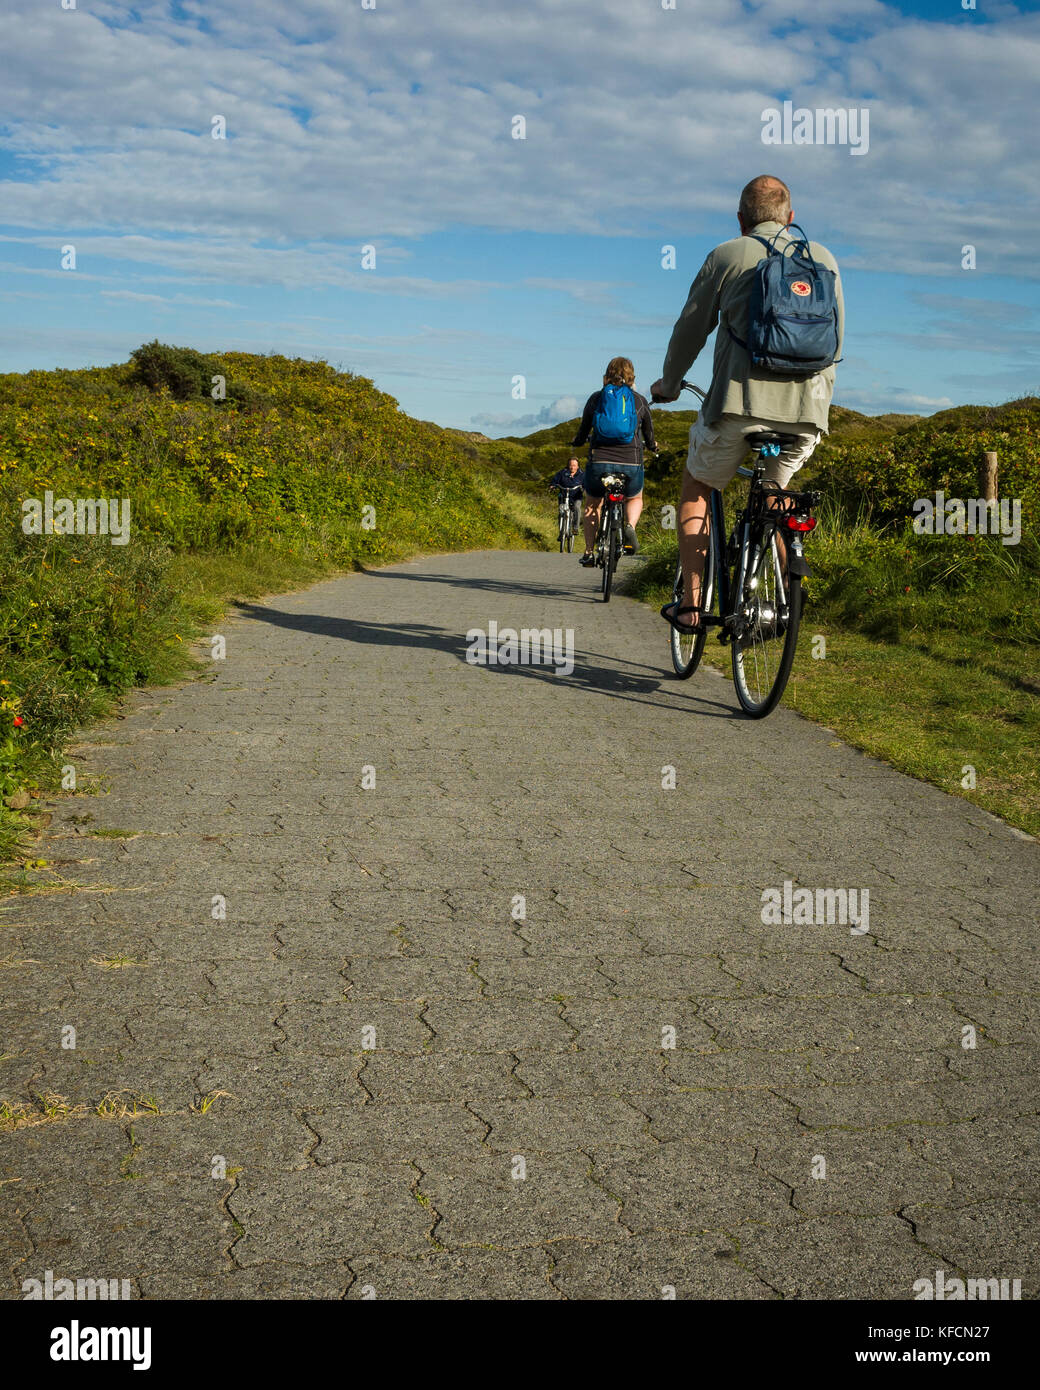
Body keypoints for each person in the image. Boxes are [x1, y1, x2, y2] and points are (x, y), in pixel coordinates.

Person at [651, 175, 843, 631]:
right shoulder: (824, 259)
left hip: (739, 410)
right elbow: (835, 343)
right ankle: (782, 601)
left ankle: (693, 607)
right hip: (804, 419)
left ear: (741, 220)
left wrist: (670, 383)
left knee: (697, 488)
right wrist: (815, 406)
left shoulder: (727, 254)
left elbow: (690, 330)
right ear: (791, 218)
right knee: (775, 491)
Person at [572, 356, 656, 566]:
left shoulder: (596, 398)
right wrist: (653, 446)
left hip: (599, 462)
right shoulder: (640, 401)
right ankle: (630, 527)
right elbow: (649, 433)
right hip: (631, 463)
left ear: (607, 374)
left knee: (593, 505)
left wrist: (578, 441)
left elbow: (583, 428)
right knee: (635, 498)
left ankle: (589, 552)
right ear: (632, 376)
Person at [547, 456, 585, 536]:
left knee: (577, 508)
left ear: (578, 466)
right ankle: (561, 531)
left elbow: (586, 484)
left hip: (576, 497)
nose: (572, 467)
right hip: (564, 496)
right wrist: (552, 485)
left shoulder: (582, 474)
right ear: (568, 465)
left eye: (574, 465)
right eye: (571, 465)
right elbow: (555, 480)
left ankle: (575, 528)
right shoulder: (562, 473)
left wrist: (585, 488)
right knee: (561, 511)